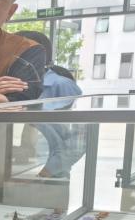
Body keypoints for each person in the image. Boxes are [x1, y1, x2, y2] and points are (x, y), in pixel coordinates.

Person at [18, 30, 85, 178]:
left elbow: (78, 138)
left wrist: (48, 170)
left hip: (50, 176)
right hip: (23, 170)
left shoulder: (61, 85)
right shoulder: (17, 84)